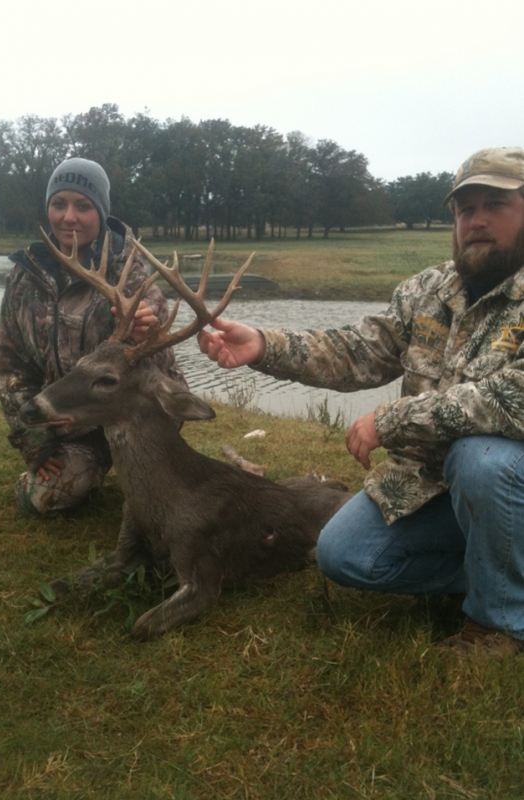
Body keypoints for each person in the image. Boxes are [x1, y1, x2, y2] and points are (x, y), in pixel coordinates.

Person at [198, 146, 524, 658]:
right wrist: (262, 345)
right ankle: (494, 576)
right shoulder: (429, 290)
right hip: (431, 485)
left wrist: (390, 421)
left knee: (481, 457)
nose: (476, 220)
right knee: (344, 555)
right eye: (466, 209)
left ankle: (498, 623)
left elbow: (509, 398)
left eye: (495, 205)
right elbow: (358, 350)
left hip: (504, 479)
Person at [0, 157, 186, 515]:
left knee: (157, 494)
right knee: (44, 499)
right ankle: (91, 462)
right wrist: (33, 439)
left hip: (129, 414)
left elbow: (161, 371)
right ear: (48, 209)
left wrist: (146, 340)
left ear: (101, 212)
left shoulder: (131, 276)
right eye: (59, 204)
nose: (69, 217)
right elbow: (10, 363)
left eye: (83, 206)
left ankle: (145, 467)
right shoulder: (23, 278)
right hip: (68, 417)